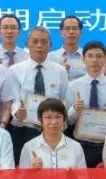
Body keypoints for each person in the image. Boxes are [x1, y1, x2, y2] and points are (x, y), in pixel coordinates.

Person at [9, 26, 68, 164]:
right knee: (25, 169)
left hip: (52, 128)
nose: (39, 45)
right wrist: (17, 112)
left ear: (50, 45)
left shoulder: (60, 71)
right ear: (27, 43)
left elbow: (63, 100)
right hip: (24, 128)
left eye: (44, 42)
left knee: (52, 167)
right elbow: (15, 100)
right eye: (35, 41)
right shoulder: (15, 70)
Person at [65, 41, 106, 168]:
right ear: (83, 59)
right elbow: (68, 121)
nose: (94, 60)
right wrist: (75, 108)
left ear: (105, 59)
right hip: (82, 144)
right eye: (90, 56)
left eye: (99, 56)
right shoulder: (73, 86)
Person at [49, 15, 86, 81]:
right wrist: (59, 71)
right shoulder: (50, 57)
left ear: (81, 33)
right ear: (61, 32)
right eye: (67, 28)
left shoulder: (87, 56)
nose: (71, 32)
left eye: (75, 28)